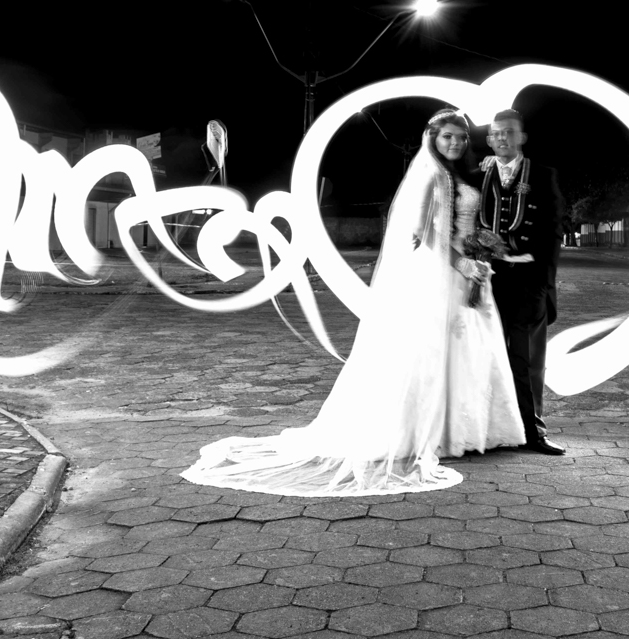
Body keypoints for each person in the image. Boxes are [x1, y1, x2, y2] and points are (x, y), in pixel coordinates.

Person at [180, 109, 525, 496]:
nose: (455, 143)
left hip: (465, 269)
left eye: (460, 137)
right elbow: (424, 233)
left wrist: (478, 252)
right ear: (432, 138)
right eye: (447, 136)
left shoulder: (457, 173)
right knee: (430, 350)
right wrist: (462, 263)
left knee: (466, 348)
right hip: (441, 270)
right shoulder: (431, 174)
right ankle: (429, 432)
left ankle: (465, 430)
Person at [480, 109, 566, 454]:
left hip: (529, 280)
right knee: (484, 355)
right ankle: (487, 429)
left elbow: (553, 230)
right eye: (497, 132)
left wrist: (544, 282)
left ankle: (533, 431)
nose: (503, 137)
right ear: (489, 139)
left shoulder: (543, 175)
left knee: (526, 358)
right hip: (486, 280)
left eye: (509, 132)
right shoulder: (477, 173)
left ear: (522, 137)